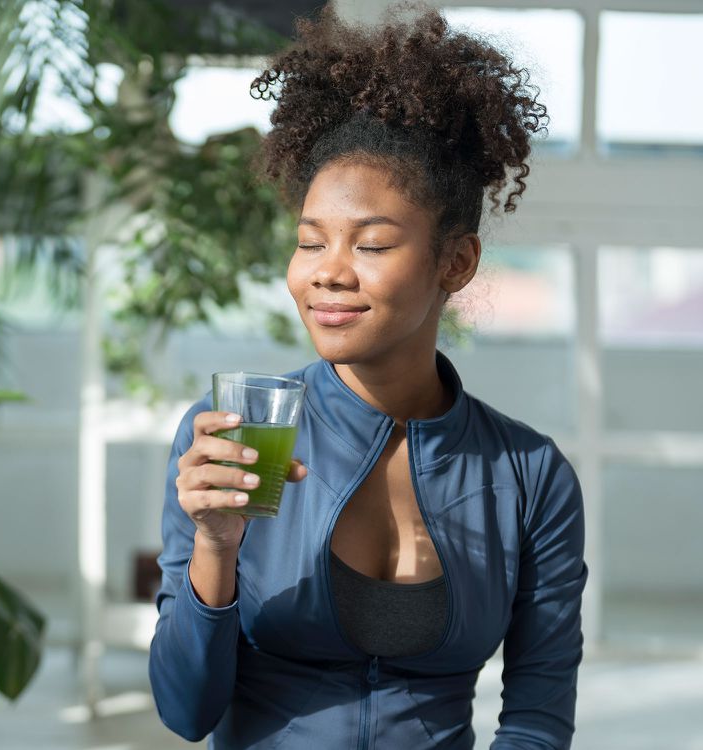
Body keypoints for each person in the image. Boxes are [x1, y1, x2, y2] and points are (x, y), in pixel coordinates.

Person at [147, 4, 587, 748]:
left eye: (373, 243)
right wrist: (215, 549)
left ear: (456, 262)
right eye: (310, 242)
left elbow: (538, 717)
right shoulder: (237, 440)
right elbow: (186, 713)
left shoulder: (529, 476)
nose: (329, 274)